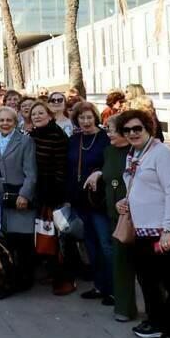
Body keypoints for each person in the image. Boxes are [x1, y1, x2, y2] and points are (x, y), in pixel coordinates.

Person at [115, 109, 170, 338]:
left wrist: (169, 229)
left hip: (164, 230)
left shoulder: (162, 155)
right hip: (142, 229)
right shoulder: (134, 154)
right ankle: (156, 321)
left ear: (149, 128)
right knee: (148, 279)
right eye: (127, 130)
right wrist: (125, 202)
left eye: (138, 129)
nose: (133, 133)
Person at [0, 106, 37, 291]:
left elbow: (31, 173)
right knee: (7, 239)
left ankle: (24, 279)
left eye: (9, 120)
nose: (5, 124)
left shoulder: (25, 142)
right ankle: (8, 276)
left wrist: (25, 194)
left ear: (15, 122)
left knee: (22, 239)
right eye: (1, 120)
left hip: (19, 195)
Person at [67, 101, 113, 304]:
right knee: (90, 245)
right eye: (81, 118)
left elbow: (111, 164)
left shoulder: (104, 138)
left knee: (106, 243)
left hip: (98, 199)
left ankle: (113, 288)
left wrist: (99, 174)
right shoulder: (74, 139)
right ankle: (99, 285)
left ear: (95, 117)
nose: (85, 121)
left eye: (89, 117)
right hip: (79, 199)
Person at [93, 116, 138, 322]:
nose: (108, 134)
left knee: (145, 266)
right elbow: (109, 172)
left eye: (112, 130)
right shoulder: (109, 151)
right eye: (107, 130)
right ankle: (124, 307)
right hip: (114, 213)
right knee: (120, 261)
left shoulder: (135, 153)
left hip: (137, 214)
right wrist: (98, 173)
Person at [28, 101, 74, 295]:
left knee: (59, 237)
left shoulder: (57, 135)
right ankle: (53, 272)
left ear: (49, 115)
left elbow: (62, 168)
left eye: (41, 113)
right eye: (34, 114)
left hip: (54, 193)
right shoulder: (34, 135)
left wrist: (57, 196)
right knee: (45, 236)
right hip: (40, 192)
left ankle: (65, 279)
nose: (37, 116)